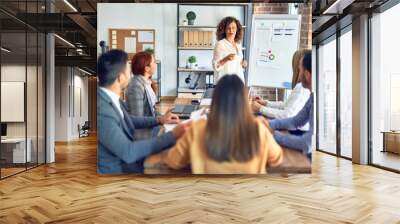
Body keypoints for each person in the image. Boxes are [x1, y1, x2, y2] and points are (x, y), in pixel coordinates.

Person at [161, 75, 283, 174]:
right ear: (244, 101)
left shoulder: (198, 128)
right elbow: (277, 159)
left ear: (216, 100)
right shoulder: (258, 128)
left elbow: (173, 161)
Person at [97, 49, 190, 174]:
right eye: (128, 70)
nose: (131, 74)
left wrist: (160, 120)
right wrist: (172, 135)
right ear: (120, 78)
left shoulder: (112, 99)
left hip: (125, 159)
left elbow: (129, 120)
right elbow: (128, 152)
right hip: (118, 168)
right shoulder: (103, 110)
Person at [252, 49, 311, 136]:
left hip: (296, 133)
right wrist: (265, 103)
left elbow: (287, 115)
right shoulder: (302, 87)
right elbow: (286, 105)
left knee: (257, 122)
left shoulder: (301, 87)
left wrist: (261, 108)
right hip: (298, 131)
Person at [268, 51, 313, 160]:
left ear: (307, 74)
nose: (298, 72)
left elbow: (306, 144)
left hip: (308, 156)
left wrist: (274, 135)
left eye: (300, 69)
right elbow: (295, 121)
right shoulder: (312, 98)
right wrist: (268, 124)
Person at [126, 51, 160, 139]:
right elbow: (138, 119)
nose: (155, 64)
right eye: (154, 62)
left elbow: (151, 110)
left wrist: (164, 117)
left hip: (151, 127)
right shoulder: (136, 86)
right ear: (146, 68)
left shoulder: (146, 83)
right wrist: (160, 120)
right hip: (143, 135)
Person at [212, 16, 247, 83]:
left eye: (233, 28)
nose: (231, 31)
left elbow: (237, 65)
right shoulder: (220, 44)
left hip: (238, 82)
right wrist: (225, 59)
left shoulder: (238, 44)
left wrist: (243, 63)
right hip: (225, 83)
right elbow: (215, 66)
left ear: (237, 29)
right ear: (224, 30)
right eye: (228, 28)